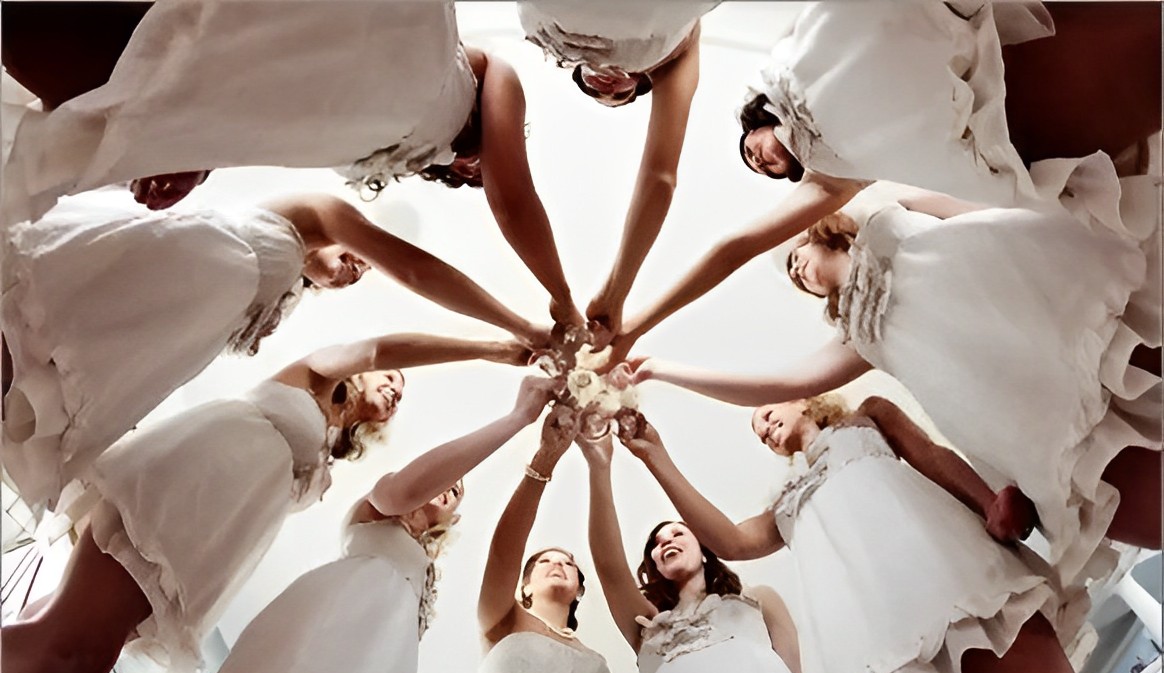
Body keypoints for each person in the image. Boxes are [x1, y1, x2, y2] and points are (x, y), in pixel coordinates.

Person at [631, 200, 1160, 589]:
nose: (796, 269)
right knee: (1132, 502)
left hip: (1041, 319)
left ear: (822, 233)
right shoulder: (858, 332)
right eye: (793, 276)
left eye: (796, 255)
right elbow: (781, 383)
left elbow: (979, 215)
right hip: (1010, 412)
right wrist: (662, 368)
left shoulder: (885, 215)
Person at [602, 1, 1160, 367]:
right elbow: (732, 249)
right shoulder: (831, 176)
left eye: (752, 150)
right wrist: (636, 318)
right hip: (987, 118)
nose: (761, 159)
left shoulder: (782, 66)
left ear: (757, 121)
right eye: (765, 171)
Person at [0, 332, 526, 673]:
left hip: (205, 538)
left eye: (400, 394)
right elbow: (377, 349)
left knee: (82, 656)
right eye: (391, 378)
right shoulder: (315, 375)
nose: (395, 388)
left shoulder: (324, 454)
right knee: (72, 651)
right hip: (180, 495)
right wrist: (487, 349)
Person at [618, 398, 1145, 673]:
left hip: (951, 584)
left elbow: (931, 457)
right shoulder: (783, 502)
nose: (765, 427)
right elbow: (731, 540)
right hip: (867, 647)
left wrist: (988, 503)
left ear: (804, 399)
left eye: (766, 412)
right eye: (759, 432)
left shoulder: (867, 417)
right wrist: (655, 454)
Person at [3, 1, 584, 326]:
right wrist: (561, 295)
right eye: (489, 163)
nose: (480, 171)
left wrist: (198, 156)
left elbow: (283, 121)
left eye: (469, 177)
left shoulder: (387, 151)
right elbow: (514, 197)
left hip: (274, 88)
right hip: (384, 37)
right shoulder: (490, 73)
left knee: (121, 84)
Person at [1, 189, 544, 510]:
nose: (358, 267)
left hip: (157, 337)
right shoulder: (313, 213)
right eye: (359, 254)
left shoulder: (275, 293)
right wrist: (506, 335)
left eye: (364, 273)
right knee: (32, 328)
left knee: (40, 378)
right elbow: (415, 276)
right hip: (161, 271)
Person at [181, 375, 560, 673]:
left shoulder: (420, 572)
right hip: (312, 655)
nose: (453, 485)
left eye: (458, 489)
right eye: (447, 478)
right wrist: (518, 418)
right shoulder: (376, 511)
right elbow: (407, 488)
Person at [576, 429, 812, 673]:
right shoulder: (647, 622)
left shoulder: (757, 598)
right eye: (656, 544)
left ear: (704, 550)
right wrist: (600, 466)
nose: (665, 541)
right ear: (655, 564)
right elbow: (609, 567)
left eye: (677, 533)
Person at [513, 0, 718, 341]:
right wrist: (615, 293)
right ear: (642, 80)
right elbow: (660, 178)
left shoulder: (548, 37)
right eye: (621, 94)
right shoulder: (673, 52)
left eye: (595, 90)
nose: (605, 88)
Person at [451, 405, 628, 673]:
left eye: (568, 563)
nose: (559, 564)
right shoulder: (504, 618)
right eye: (545, 561)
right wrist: (544, 461)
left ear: (579, 589)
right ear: (524, 586)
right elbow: (503, 551)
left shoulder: (596, 661)